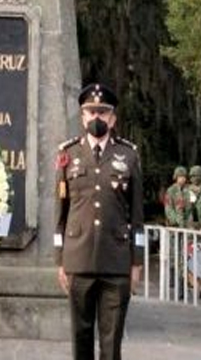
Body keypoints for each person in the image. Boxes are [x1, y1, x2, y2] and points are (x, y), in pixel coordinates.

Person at [54, 82, 144, 360]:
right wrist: (60, 260)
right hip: (78, 260)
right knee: (81, 339)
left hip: (116, 263)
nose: (96, 118)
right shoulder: (68, 155)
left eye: (102, 113)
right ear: (82, 117)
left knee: (111, 341)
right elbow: (60, 214)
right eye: (90, 112)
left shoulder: (128, 155)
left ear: (112, 118)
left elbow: (137, 215)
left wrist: (137, 262)